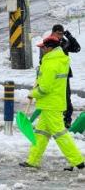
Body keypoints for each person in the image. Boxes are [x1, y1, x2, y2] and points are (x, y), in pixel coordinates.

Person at [19, 36, 84, 171]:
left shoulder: (50, 63)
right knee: (40, 133)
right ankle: (32, 160)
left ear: (49, 48)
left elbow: (45, 88)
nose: (42, 50)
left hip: (50, 105)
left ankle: (79, 161)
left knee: (60, 134)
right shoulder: (60, 60)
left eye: (43, 47)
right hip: (52, 103)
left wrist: (33, 93)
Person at [50, 24, 81, 128]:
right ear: (53, 32)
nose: (60, 35)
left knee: (66, 98)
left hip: (64, 75)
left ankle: (67, 121)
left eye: (61, 33)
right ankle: (53, 119)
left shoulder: (64, 41)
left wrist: (70, 37)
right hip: (52, 75)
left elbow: (77, 48)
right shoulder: (49, 42)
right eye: (58, 33)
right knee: (53, 98)